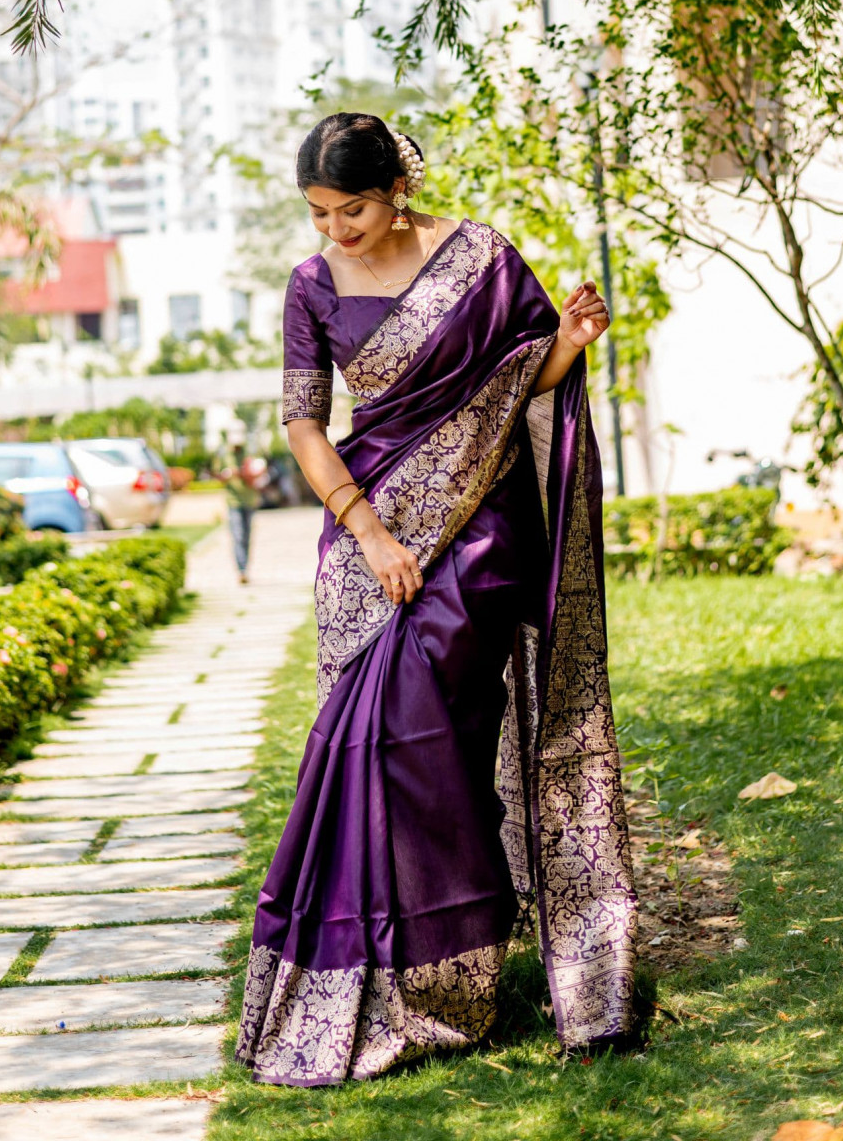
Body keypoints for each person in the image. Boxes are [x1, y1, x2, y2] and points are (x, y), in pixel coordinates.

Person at [236, 111, 638, 1087]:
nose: (335, 229)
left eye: (352, 208)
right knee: (367, 750)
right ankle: (389, 974)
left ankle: (456, 973)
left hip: (478, 538)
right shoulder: (309, 285)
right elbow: (303, 425)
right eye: (318, 212)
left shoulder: (480, 259)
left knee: (439, 752)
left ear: (396, 188)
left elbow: (520, 383)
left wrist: (568, 341)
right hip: (366, 535)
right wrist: (370, 532)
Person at [222, 453, 265, 583]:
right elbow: (218, 476)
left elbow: (260, 473)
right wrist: (229, 475)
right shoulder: (225, 456)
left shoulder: (251, 454)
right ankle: (242, 570)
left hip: (249, 500)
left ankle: (245, 566)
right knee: (238, 535)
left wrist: (245, 474)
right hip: (234, 501)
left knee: (246, 536)